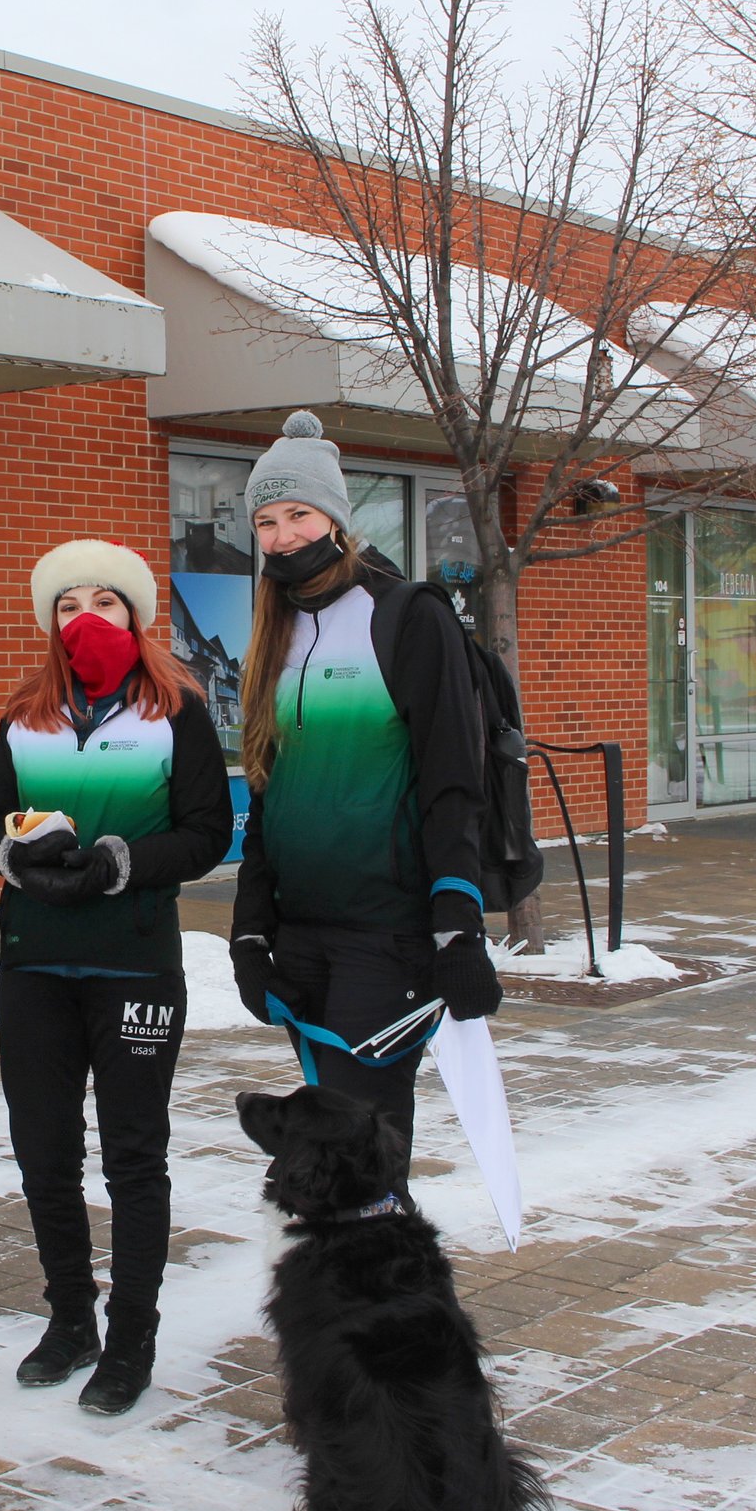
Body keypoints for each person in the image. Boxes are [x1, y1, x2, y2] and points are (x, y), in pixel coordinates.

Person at [0, 540, 233, 1415]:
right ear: (50, 622)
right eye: (68, 603)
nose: (87, 617)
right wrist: (19, 855)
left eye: (106, 602)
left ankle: (131, 1339)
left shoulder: (178, 710)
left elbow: (208, 830)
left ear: (135, 615)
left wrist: (121, 859)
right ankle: (70, 1318)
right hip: (35, 965)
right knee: (45, 1153)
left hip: (135, 965)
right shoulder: (24, 713)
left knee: (133, 1157)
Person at [227, 412, 503, 1184]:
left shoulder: (405, 616)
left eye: (299, 515)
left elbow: (455, 782)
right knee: (327, 1146)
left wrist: (457, 923)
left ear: (338, 519)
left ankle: (384, 1296)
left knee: (360, 1147)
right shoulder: (273, 631)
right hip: (301, 937)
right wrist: (250, 935)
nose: (281, 537)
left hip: (386, 938)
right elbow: (267, 797)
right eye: (266, 521)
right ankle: (348, 1296)